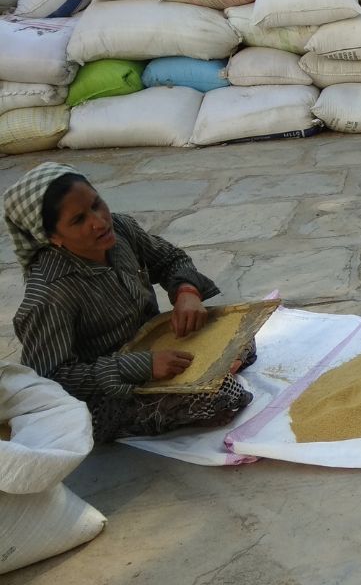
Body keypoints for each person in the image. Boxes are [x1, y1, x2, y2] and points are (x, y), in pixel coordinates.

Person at [4, 162, 253, 443]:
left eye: (97, 204)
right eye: (78, 220)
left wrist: (187, 291)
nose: (99, 222)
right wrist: (140, 367)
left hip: (154, 345)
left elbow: (171, 259)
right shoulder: (49, 294)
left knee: (242, 333)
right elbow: (51, 378)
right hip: (104, 392)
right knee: (219, 399)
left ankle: (213, 372)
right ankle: (212, 379)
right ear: (52, 237)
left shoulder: (120, 229)